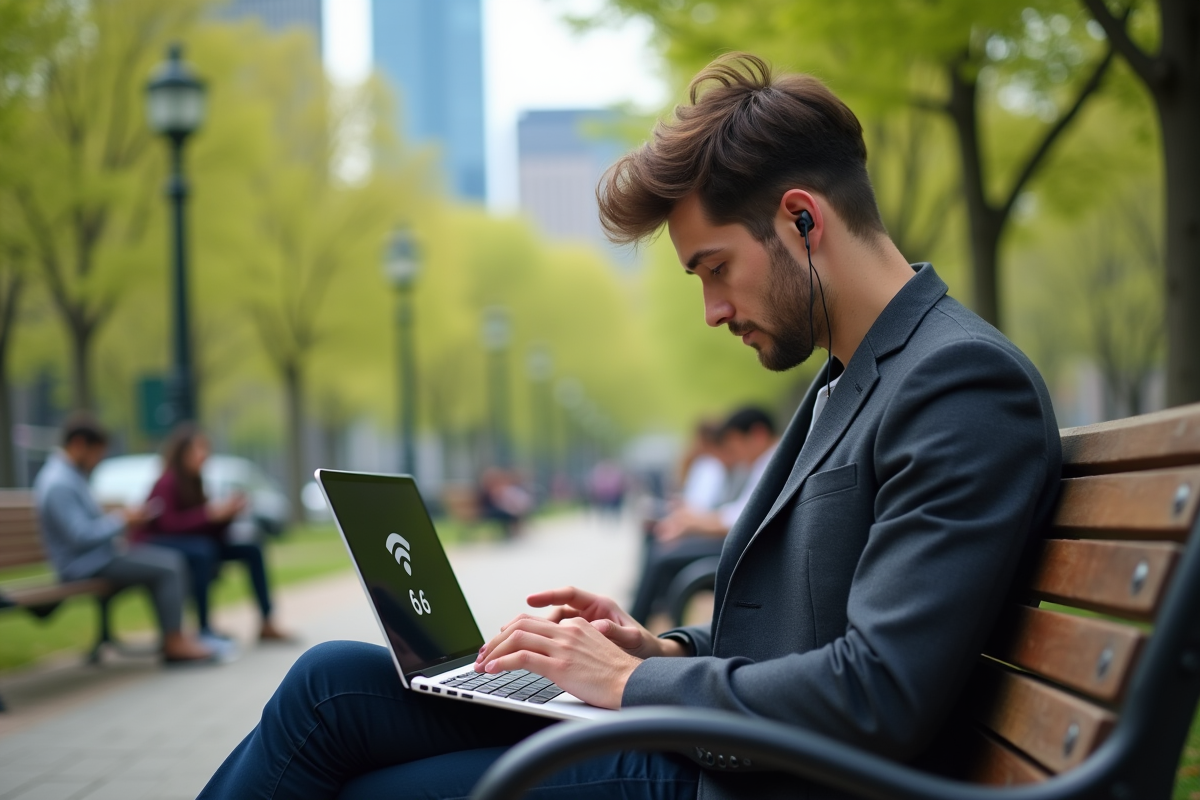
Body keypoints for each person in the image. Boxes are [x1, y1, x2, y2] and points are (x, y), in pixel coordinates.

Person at [200, 53, 1061, 800]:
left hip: (772, 783)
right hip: (733, 755)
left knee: (370, 788)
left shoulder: (958, 383)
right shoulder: (851, 375)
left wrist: (635, 683)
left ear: (803, 219)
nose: (714, 310)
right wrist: (654, 647)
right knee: (331, 686)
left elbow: (881, 691)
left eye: (714, 268)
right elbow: (812, 632)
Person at [33, 414, 214, 663]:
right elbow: (79, 536)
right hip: (83, 565)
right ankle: (174, 642)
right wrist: (122, 520)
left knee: (166, 560)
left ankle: (174, 637)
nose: (98, 461)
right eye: (96, 453)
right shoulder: (59, 483)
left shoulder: (68, 476)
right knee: (169, 565)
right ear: (78, 444)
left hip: (96, 558)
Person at [134, 424, 291, 643]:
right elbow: (169, 525)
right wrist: (209, 515)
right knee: (203, 551)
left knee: (252, 548)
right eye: (198, 449)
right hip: (159, 543)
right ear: (182, 453)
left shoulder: (196, 482)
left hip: (194, 543)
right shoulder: (166, 483)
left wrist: (226, 516)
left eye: (206, 449)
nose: (204, 455)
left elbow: (208, 531)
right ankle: (204, 627)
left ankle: (266, 621)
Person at [628, 406, 779, 624]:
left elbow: (741, 518)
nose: (734, 454)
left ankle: (636, 623)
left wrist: (691, 524)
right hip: (740, 541)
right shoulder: (764, 463)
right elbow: (738, 513)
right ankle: (642, 618)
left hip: (747, 548)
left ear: (757, 435)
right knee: (661, 551)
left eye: (734, 445)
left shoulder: (771, 462)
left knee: (662, 556)